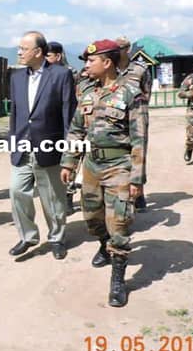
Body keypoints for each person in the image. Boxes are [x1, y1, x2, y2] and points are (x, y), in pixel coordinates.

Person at [60, 39, 148, 307]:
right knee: (92, 219)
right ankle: (104, 244)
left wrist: (137, 178)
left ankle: (118, 280)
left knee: (119, 222)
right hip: (92, 166)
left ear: (107, 62)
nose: (86, 65)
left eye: (91, 61)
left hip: (119, 166)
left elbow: (140, 139)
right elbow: (76, 130)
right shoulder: (88, 93)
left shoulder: (130, 94)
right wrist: (69, 162)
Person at [8, 31, 76, 260]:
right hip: (23, 147)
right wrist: (13, 143)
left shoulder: (61, 75)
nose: (19, 52)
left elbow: (68, 116)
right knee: (17, 191)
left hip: (49, 147)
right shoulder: (16, 77)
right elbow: (15, 114)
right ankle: (28, 237)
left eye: (23, 49)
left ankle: (57, 238)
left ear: (38, 52)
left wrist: (69, 154)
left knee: (53, 198)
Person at [115, 36, 152, 212]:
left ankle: (139, 193)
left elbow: (146, 93)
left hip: (136, 118)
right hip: (114, 119)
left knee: (137, 154)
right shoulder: (109, 68)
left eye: (120, 48)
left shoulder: (140, 70)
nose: (117, 51)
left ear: (128, 49)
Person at [46, 41, 79, 215]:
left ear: (58, 56)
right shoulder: (43, 74)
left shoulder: (71, 73)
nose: (46, 59)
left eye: (49, 56)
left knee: (69, 159)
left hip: (70, 122)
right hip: (51, 124)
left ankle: (68, 197)